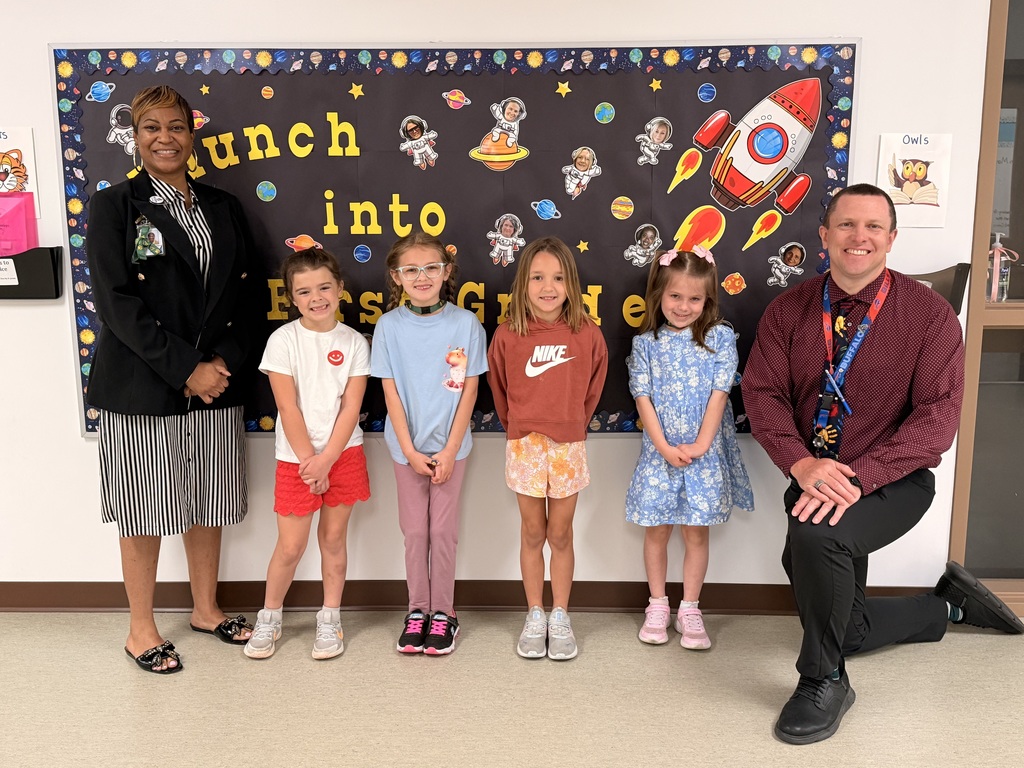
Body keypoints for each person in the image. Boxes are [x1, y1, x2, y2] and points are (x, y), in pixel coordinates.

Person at [741, 183, 1024, 745]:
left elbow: (937, 421)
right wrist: (800, 464)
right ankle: (944, 609)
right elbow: (762, 392)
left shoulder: (930, 316)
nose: (859, 237)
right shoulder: (787, 311)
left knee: (814, 540)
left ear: (891, 239)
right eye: (846, 225)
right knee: (841, 619)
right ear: (824, 235)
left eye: (873, 227)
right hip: (812, 474)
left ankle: (823, 680)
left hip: (895, 479)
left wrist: (859, 476)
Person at [87, 85, 263, 674]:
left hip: (217, 383)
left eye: (177, 126)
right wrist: (186, 368)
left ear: (193, 134)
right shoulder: (115, 207)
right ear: (134, 137)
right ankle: (141, 630)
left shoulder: (223, 205)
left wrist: (219, 367)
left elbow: (249, 294)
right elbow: (117, 304)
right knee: (144, 511)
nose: (166, 137)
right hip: (143, 387)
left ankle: (206, 610)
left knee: (209, 503)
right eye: (151, 127)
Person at [244, 248, 370, 661]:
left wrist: (328, 459)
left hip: (343, 454)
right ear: (292, 298)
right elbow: (288, 406)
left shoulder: (354, 343)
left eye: (324, 287)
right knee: (290, 547)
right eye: (304, 291)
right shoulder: (282, 341)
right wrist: (309, 462)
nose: (316, 298)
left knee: (333, 540)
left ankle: (330, 617)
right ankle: (270, 616)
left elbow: (352, 407)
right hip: (295, 459)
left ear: (340, 289)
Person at [487, 236, 608, 660]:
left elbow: (593, 389)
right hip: (524, 446)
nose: (548, 287)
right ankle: (534, 613)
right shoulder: (507, 336)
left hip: (568, 445)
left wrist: (570, 422)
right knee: (533, 532)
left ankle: (560, 614)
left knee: (560, 533)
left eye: (557, 278)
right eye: (537, 277)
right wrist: (519, 427)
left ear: (571, 284)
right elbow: (499, 391)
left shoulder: (587, 334)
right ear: (523, 284)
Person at [626, 247, 753, 649]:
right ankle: (658, 603)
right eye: (675, 297)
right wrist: (663, 446)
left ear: (707, 300)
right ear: (659, 296)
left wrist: (700, 444)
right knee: (657, 531)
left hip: (704, 454)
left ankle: (691, 608)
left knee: (696, 534)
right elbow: (642, 397)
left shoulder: (719, 338)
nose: (683, 307)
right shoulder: (645, 344)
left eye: (694, 299)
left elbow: (720, 395)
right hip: (659, 453)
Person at [370, 232, 487, 655]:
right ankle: (417, 610)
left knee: (443, 530)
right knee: (415, 532)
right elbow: (390, 393)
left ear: (446, 272)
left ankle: (444, 615)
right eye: (411, 269)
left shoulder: (465, 324)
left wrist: (450, 450)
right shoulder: (388, 327)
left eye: (431, 268)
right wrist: (410, 451)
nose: (422, 277)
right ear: (397, 277)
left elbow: (470, 391)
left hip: (452, 449)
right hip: (407, 451)